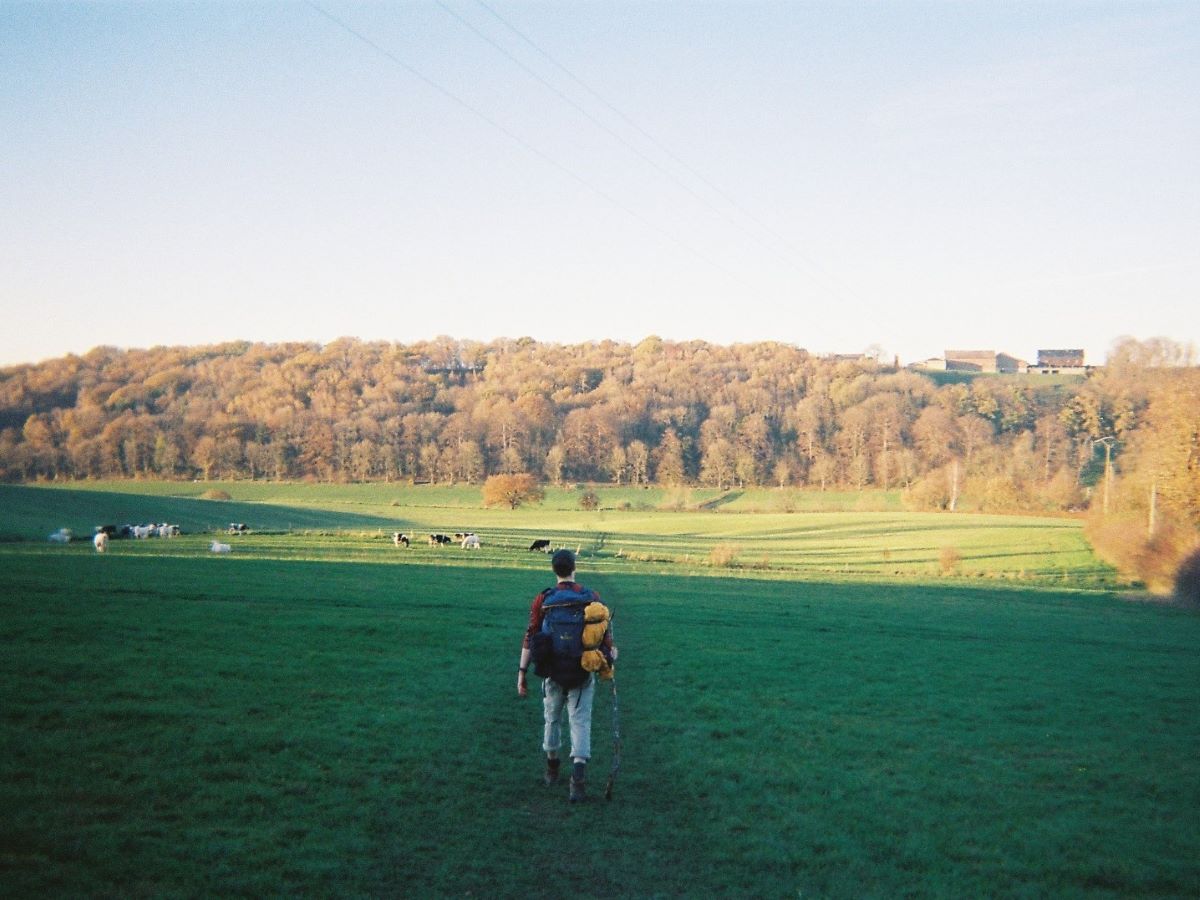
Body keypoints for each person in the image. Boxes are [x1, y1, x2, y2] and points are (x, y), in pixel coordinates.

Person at [517, 548, 616, 802]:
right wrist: (610, 656)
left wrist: (522, 672)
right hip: (582, 670)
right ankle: (578, 781)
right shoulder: (592, 597)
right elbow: (606, 638)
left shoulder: (544, 599)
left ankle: (552, 769)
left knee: (552, 719)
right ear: (575, 568)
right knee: (580, 721)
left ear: (554, 570)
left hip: (552, 671)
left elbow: (530, 635)